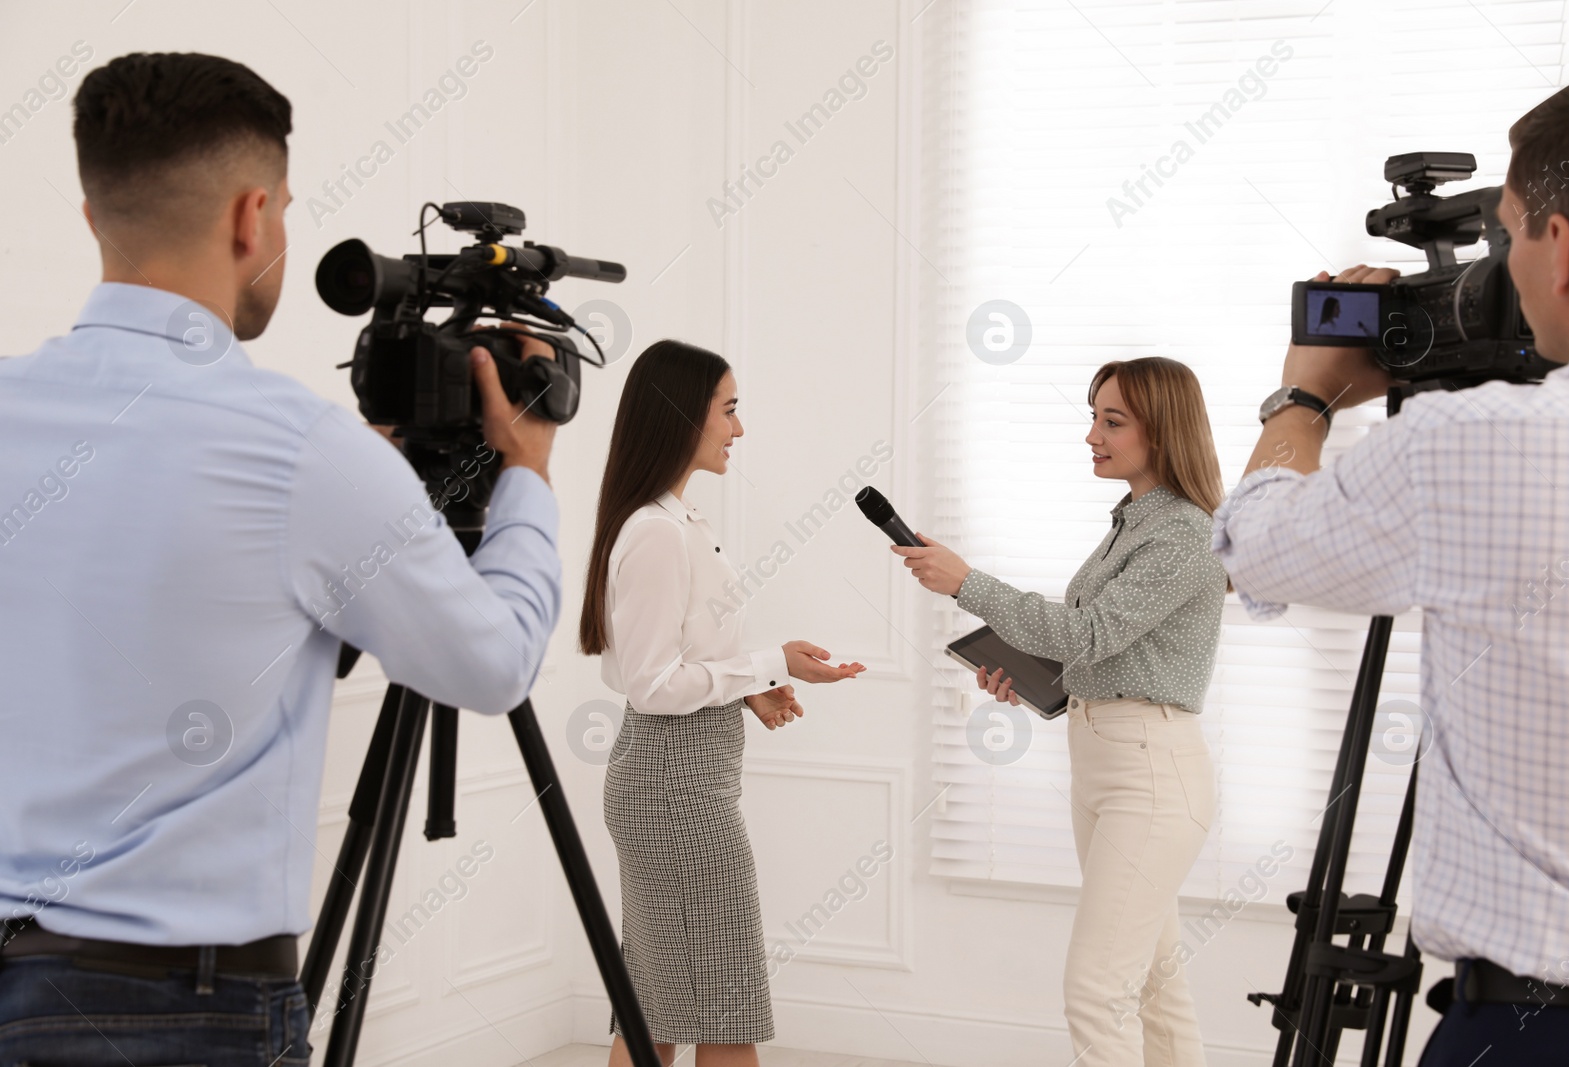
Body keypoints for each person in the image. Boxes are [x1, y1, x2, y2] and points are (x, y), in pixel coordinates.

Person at [0, 53, 562, 1064]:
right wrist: (526, 477)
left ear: (93, 215)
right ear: (251, 216)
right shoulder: (303, 450)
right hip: (186, 1008)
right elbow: (490, 663)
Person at [1212, 75, 1569, 1065]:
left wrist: (1302, 396)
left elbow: (1255, 543)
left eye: (1509, 234)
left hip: (1538, 1024)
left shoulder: (1469, 441)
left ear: (1560, 247)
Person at [893, 357, 1229, 1067]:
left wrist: (968, 583)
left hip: (1151, 775)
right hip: (1108, 765)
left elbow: (1092, 633)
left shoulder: (1184, 533)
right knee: (1153, 991)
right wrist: (1038, 676)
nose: (1091, 436)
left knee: (1095, 989)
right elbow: (1102, 651)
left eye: (1112, 421)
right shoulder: (1134, 523)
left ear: (1163, 431)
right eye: (1094, 416)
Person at [579, 339, 865, 1067]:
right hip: (674, 790)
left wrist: (750, 687)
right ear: (684, 415)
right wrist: (768, 662)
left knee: (657, 1006)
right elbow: (650, 684)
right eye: (729, 410)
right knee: (722, 1009)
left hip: (682, 782)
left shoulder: (679, 524)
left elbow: (685, 661)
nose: (739, 429)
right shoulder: (656, 533)